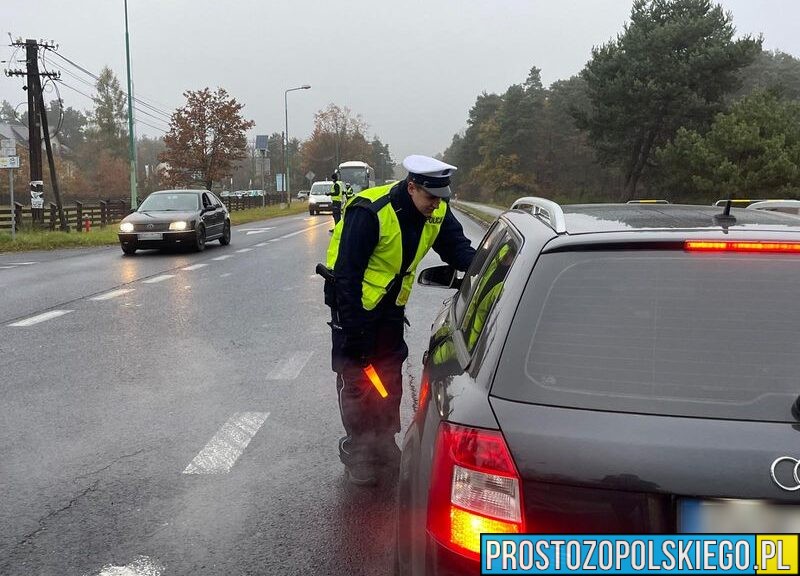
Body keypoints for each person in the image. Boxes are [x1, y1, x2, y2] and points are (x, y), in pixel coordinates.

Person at [323, 155, 476, 486]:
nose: (437, 206)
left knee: (389, 377)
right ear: (411, 188)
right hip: (353, 306)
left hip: (391, 308)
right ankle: (359, 451)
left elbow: (460, 251)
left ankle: (382, 440)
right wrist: (354, 332)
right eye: (431, 198)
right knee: (357, 378)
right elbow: (347, 276)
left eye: (441, 198)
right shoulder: (371, 212)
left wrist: (492, 264)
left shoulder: (437, 212)